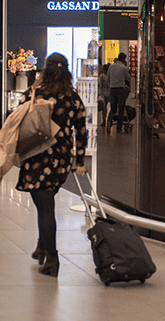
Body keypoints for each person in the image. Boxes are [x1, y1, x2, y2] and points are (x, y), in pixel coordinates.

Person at [17, 53, 88, 278]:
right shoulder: (73, 98)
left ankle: (52, 259)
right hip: (61, 159)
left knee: (45, 209)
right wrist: (79, 161)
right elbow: (82, 132)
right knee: (46, 203)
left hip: (37, 155)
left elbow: (17, 118)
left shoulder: (35, 94)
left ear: (45, 70)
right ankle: (41, 247)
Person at [106, 53, 131, 134]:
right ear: (124, 59)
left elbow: (108, 78)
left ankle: (109, 120)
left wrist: (111, 85)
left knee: (113, 108)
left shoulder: (111, 67)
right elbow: (128, 78)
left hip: (112, 90)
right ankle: (119, 128)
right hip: (121, 90)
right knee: (121, 109)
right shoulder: (124, 68)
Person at [98, 63, 111, 127]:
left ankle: (104, 120)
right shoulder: (110, 76)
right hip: (110, 93)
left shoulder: (101, 76)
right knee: (111, 107)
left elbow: (99, 84)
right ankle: (109, 120)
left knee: (104, 108)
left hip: (103, 93)